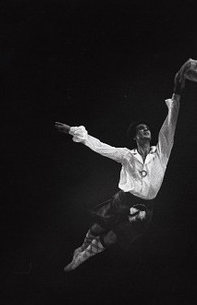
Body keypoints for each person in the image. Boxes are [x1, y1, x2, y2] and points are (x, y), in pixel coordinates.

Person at [55, 66, 186, 272]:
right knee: (99, 226)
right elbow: (101, 147)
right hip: (124, 198)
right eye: (141, 129)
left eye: (147, 128)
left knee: (113, 236)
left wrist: (176, 93)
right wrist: (73, 131)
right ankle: (80, 248)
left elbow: (171, 125)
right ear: (135, 136)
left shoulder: (161, 152)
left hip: (146, 206)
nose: (146, 130)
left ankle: (81, 258)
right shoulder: (127, 155)